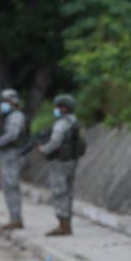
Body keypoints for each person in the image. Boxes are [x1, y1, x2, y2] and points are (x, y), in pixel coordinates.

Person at [39, 94, 85, 236]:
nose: (56, 109)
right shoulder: (75, 122)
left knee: (59, 192)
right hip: (72, 161)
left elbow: (55, 142)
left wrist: (43, 149)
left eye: (58, 107)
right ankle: (67, 223)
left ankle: (63, 225)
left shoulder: (61, 124)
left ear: (64, 108)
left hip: (60, 162)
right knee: (68, 192)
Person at [0, 89, 28, 229]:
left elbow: (12, 135)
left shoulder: (16, 116)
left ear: (12, 102)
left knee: (11, 185)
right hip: (7, 154)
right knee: (8, 186)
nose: (3, 104)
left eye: (5, 101)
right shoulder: (8, 116)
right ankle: (14, 218)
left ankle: (16, 219)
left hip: (12, 153)